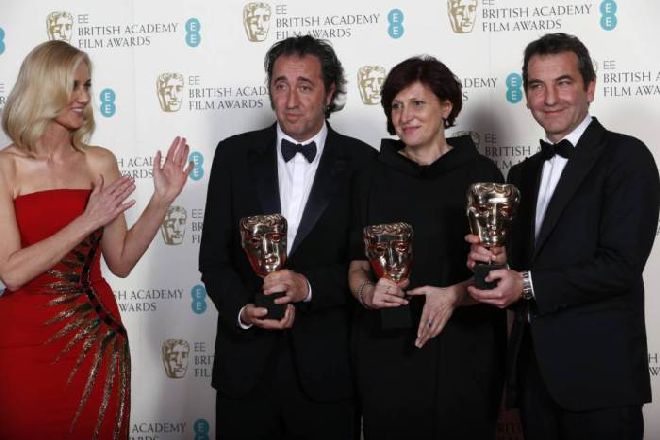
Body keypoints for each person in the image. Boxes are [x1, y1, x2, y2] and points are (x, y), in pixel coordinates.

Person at [467, 33, 660, 440]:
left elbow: (621, 267)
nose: (550, 98)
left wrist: (525, 283)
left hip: (600, 381)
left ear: (590, 87)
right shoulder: (522, 174)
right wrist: (497, 264)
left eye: (564, 82)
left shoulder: (627, 158)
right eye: (537, 85)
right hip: (535, 379)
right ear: (526, 95)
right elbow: (523, 267)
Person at [0, 40, 192, 439]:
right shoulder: (6, 167)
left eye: (87, 85)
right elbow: (12, 272)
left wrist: (161, 201)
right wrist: (87, 220)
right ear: (43, 88)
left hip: (95, 341)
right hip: (22, 344)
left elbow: (120, 261)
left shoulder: (99, 161)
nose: (85, 98)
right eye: (74, 86)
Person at [199, 35, 374, 439]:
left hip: (327, 376)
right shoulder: (232, 156)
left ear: (330, 92)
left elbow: (365, 266)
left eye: (305, 86)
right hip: (245, 372)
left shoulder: (364, 163)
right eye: (281, 85)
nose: (291, 100)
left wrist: (308, 286)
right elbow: (213, 259)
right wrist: (243, 311)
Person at [348, 55, 506, 439]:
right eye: (396, 106)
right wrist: (368, 293)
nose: (405, 116)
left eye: (418, 103)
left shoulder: (481, 174)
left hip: (466, 350)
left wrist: (454, 296)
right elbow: (355, 265)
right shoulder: (370, 176)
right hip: (387, 351)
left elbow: (500, 272)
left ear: (446, 107)